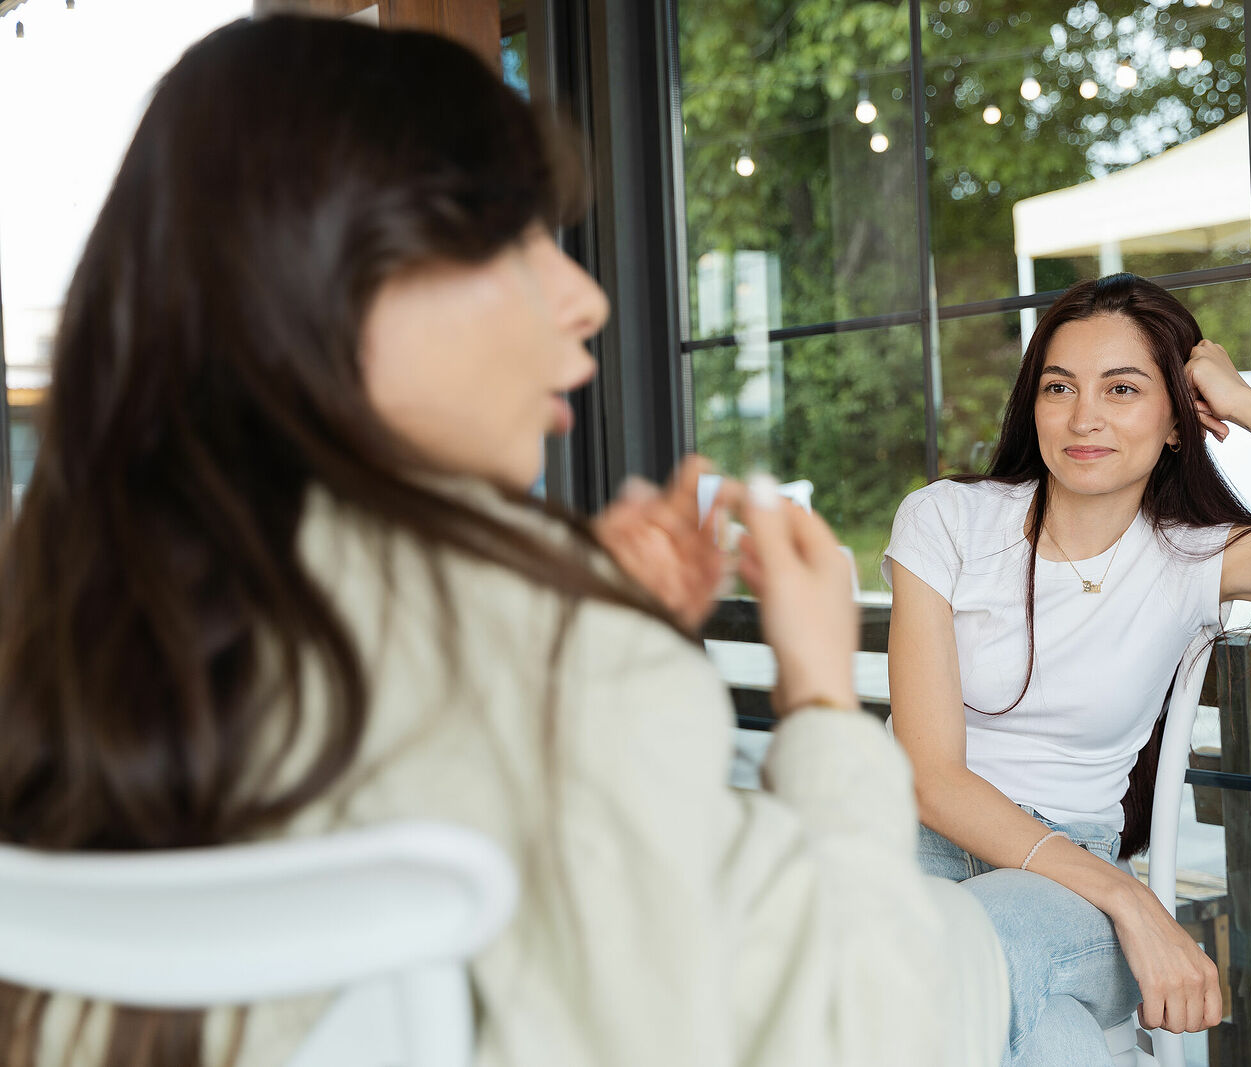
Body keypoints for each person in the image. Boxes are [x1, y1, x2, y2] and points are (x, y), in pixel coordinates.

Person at [0, 17, 1008, 1067]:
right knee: (984, 945)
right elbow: (872, 1038)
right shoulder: (562, 662)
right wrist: (821, 699)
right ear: (339, 276)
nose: (587, 298)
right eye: (517, 239)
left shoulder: (75, 631)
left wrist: (595, 609)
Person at [883, 274, 1251, 1066]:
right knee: (1051, 1040)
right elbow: (929, 776)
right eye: (1059, 387)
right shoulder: (947, 521)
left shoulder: (1193, 557)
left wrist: (1248, 406)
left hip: (1063, 890)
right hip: (915, 853)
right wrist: (1134, 901)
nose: (1084, 416)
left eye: (1122, 388)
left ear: (1177, 422)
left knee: (964, 951)